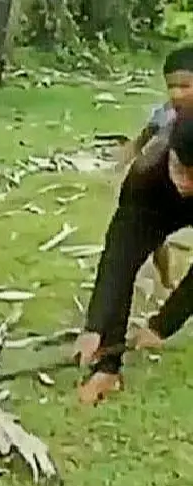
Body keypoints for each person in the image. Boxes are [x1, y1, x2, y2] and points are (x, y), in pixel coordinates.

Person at [73, 114, 193, 405]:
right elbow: (118, 260)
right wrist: (96, 326)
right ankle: (107, 370)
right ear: (170, 155)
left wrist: (164, 324)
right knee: (123, 266)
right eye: (182, 170)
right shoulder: (145, 174)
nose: (187, 184)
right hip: (156, 207)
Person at [116, 44, 193, 291]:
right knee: (154, 236)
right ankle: (167, 277)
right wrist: (132, 153)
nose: (176, 94)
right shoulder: (166, 114)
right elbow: (147, 136)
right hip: (164, 182)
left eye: (184, 86)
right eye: (172, 87)